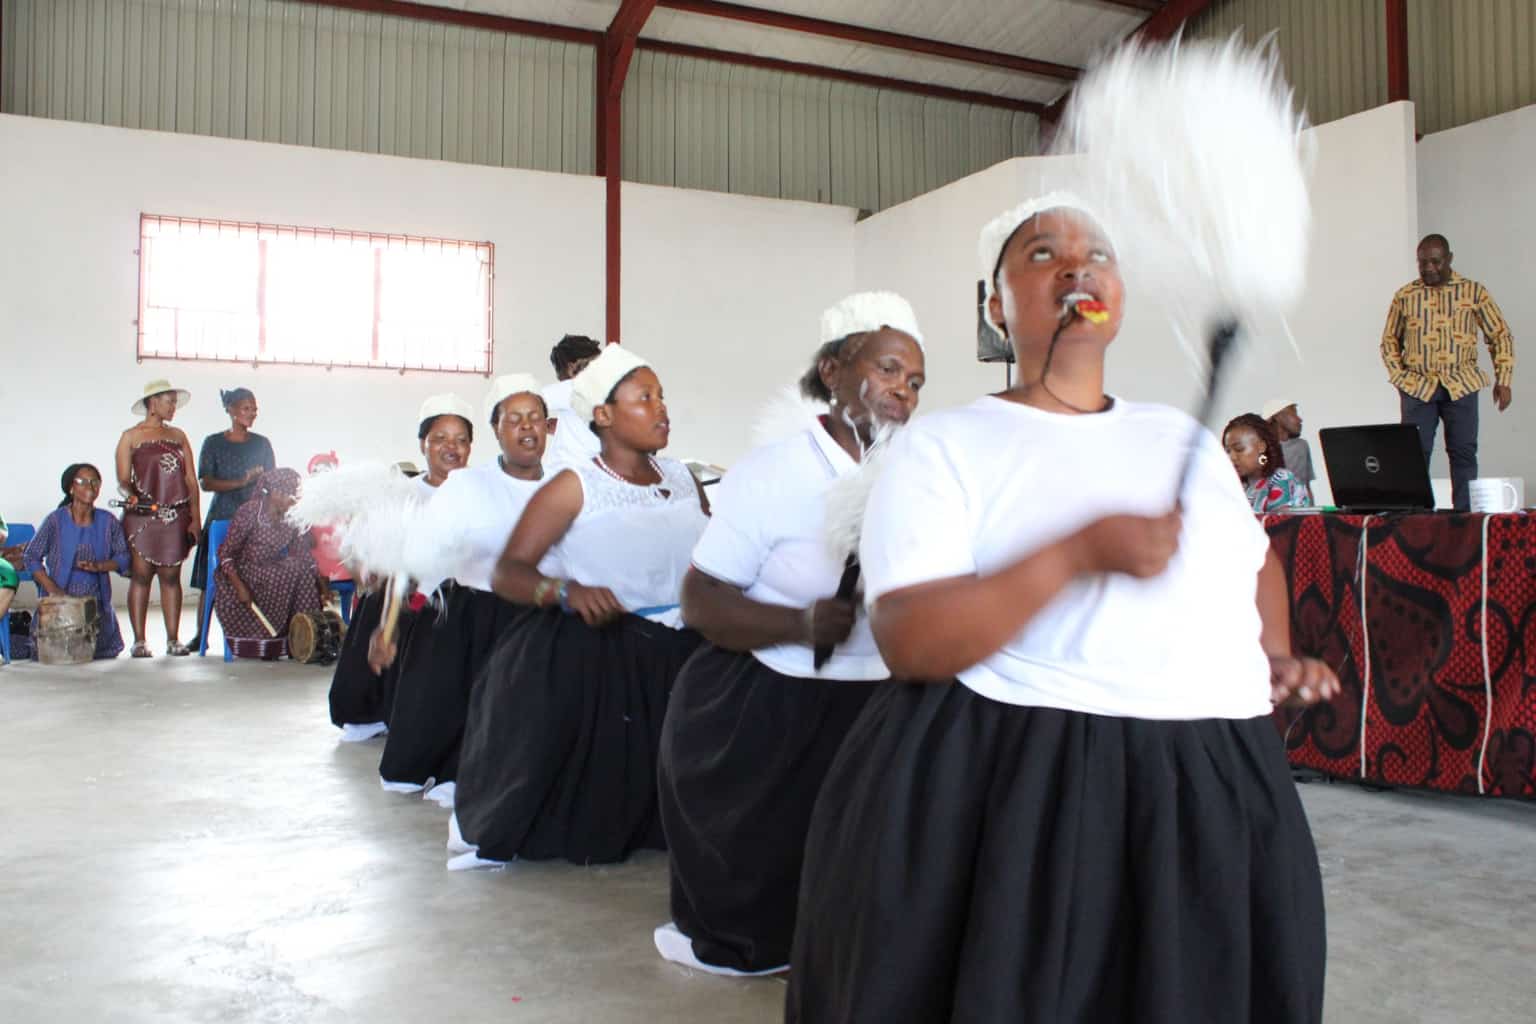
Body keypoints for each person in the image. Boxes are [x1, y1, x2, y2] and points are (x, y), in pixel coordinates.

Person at [785, 196, 1339, 1023]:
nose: (1078, 267)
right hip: (1030, 783)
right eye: (1043, 253)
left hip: (1215, 784)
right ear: (994, 304)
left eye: (1099, 254)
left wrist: (1269, 654)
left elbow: (1253, 566)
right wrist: (1078, 554)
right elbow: (912, 639)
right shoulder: (945, 446)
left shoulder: (1186, 440)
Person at [653, 292, 926, 977]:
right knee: (764, 875)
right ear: (833, 371)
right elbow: (700, 597)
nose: (904, 389)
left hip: (879, 703)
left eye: (916, 380)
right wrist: (800, 623)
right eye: (889, 368)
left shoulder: (923, 471)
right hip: (774, 700)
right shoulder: (772, 472)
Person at [451, 345, 708, 867]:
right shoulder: (574, 487)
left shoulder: (682, 477)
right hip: (611, 657)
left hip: (683, 652)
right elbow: (509, 572)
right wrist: (566, 593)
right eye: (645, 398)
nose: (662, 409)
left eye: (661, 397)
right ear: (604, 416)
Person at [369, 376, 554, 805]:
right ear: (497, 431)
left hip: (539, 615)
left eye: (535, 419)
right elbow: (419, 558)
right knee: (453, 704)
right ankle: (452, 771)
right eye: (515, 420)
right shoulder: (469, 486)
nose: (527, 428)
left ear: (549, 427)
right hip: (475, 614)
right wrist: (392, 624)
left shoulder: (567, 483)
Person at [373, 394, 477, 794]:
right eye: (440, 438)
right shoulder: (408, 497)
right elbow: (401, 568)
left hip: (479, 603)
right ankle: (419, 766)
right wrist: (388, 627)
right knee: (425, 694)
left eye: (461, 439)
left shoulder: (480, 489)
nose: (451, 448)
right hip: (425, 604)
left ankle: (458, 772)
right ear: (423, 445)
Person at [1380, 233, 1516, 512]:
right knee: (1414, 455)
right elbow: (1390, 341)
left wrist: (1504, 380)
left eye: (1435, 261)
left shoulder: (1473, 292)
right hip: (1418, 386)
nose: (1429, 268)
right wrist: (1399, 377)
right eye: (1422, 263)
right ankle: (1413, 517)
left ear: (1449, 259)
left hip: (1461, 383)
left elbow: (1499, 335)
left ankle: (1463, 518)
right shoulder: (1405, 296)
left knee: (1463, 452)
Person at [115, 379, 201, 657]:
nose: (173, 407)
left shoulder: (178, 436)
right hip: (143, 515)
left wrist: (195, 517)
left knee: (171, 576)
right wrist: (132, 495)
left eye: (175, 402)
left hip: (176, 513)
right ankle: (139, 641)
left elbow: (190, 479)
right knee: (140, 576)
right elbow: (123, 479)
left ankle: (173, 639)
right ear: (153, 402)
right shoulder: (130, 436)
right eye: (169, 401)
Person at [187, 387, 276, 652]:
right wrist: (242, 481)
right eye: (246, 408)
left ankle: (255, 635)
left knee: (254, 577)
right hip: (222, 516)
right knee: (210, 580)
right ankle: (199, 636)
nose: (252, 414)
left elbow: (272, 481)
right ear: (231, 410)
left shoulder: (262, 443)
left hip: (255, 519)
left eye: (254, 409)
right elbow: (206, 482)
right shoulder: (213, 442)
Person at [213, 469, 324, 659]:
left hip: (271, 568)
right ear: (276, 493)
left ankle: (305, 637)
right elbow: (226, 554)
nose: (296, 502)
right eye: (292, 497)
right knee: (280, 574)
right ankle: (268, 642)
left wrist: (320, 583)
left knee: (300, 569)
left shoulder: (291, 516)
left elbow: (302, 553)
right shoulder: (250, 511)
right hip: (242, 572)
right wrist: (240, 587)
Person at [23, 465, 131, 660]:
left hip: (96, 606)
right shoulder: (55, 521)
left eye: (95, 482)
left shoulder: (108, 521)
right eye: (82, 481)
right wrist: (53, 590)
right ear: (71, 488)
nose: (90, 486)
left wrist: (100, 566)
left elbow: (123, 557)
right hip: (58, 605)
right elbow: (31, 556)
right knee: (55, 651)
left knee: (93, 653)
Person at [1224, 413, 1311, 512]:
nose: (1232, 457)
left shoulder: (1281, 479)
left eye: (1239, 449)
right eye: (1228, 451)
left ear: (1262, 447)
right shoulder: (1240, 485)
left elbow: (1277, 525)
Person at [541, 333, 603, 469]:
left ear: (570, 368)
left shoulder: (574, 387)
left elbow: (529, 400)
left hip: (568, 477)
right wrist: (561, 427)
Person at [1262, 398, 1315, 490]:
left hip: (1299, 503)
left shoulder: (1301, 446)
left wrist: (1310, 504)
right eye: (1294, 413)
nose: (1300, 419)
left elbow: (1305, 488)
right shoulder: (1260, 449)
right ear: (1278, 417)